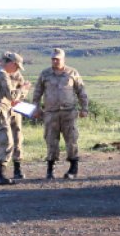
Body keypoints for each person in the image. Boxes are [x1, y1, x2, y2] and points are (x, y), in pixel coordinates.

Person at [32, 48, 89, 180]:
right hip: (50, 113)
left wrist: (84, 108)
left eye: (57, 59)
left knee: (71, 140)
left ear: (63, 59)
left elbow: (81, 91)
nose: (55, 61)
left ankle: (73, 168)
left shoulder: (72, 73)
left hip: (68, 112)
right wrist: (36, 108)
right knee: (51, 140)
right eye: (53, 59)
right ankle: (50, 169)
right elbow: (37, 92)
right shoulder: (45, 74)